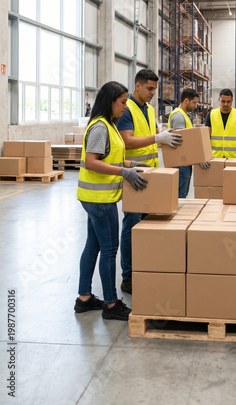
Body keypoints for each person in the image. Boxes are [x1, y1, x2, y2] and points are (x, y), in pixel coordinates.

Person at [74, 81, 148, 321]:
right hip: (100, 200)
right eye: (123, 102)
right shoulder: (100, 127)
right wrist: (124, 173)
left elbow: (110, 157)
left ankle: (84, 298)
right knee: (109, 250)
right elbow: (92, 161)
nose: (126, 107)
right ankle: (111, 303)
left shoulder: (109, 125)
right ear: (110, 101)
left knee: (93, 246)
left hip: (95, 197)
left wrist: (131, 164)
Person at [117, 69, 182, 294]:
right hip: (133, 176)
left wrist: (166, 136)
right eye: (150, 88)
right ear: (138, 86)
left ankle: (145, 269)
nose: (153, 92)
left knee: (147, 222)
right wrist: (157, 137)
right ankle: (128, 276)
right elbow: (127, 142)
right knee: (132, 223)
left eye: (155, 88)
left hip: (151, 174)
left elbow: (154, 136)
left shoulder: (150, 108)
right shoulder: (127, 110)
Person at [168, 88, 199, 198]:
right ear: (186, 101)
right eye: (194, 102)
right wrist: (198, 157)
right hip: (180, 163)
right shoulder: (179, 116)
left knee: (182, 193)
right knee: (180, 195)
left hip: (185, 161)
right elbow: (181, 143)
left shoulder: (185, 115)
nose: (195, 106)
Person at [204, 88, 236, 160]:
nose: (225, 104)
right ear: (219, 100)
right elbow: (206, 137)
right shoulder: (211, 115)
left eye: (228, 101)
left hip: (234, 157)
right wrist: (205, 155)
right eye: (223, 101)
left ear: (232, 101)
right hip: (215, 157)